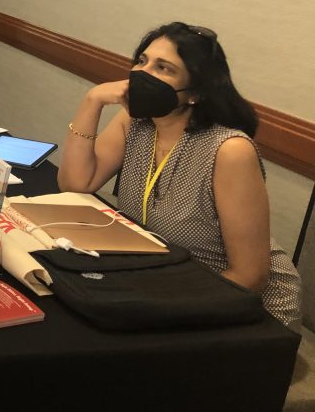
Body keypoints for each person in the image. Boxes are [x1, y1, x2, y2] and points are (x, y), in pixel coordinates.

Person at [57, 21, 300, 326]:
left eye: (163, 68)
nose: (144, 74)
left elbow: (250, 276)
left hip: (232, 300)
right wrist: (92, 101)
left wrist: (158, 310)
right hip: (164, 279)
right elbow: (75, 183)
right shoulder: (134, 122)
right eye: (142, 61)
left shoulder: (229, 150)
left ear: (195, 93)